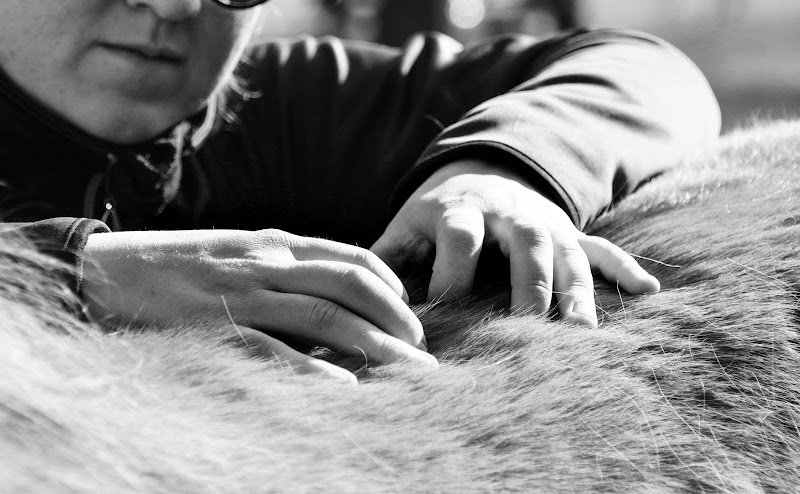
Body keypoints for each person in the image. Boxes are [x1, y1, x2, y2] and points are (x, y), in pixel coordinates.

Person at [0, 0, 720, 383]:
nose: (174, 6)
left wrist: (500, 167)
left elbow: (649, 72)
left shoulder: (273, 108)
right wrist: (55, 276)